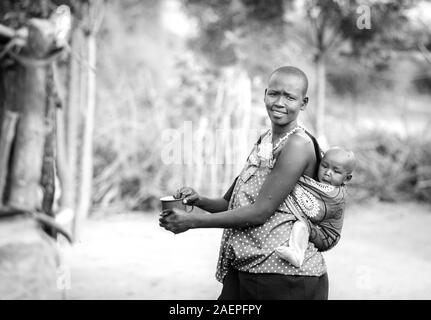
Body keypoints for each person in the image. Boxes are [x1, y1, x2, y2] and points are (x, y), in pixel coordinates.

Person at [160, 66, 338, 300]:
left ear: (303, 103)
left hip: (284, 276)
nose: (279, 102)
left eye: (290, 97)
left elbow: (259, 212)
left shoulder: (298, 145)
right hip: (249, 267)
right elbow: (230, 204)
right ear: (264, 94)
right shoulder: (265, 141)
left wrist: (193, 221)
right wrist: (198, 200)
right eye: (274, 93)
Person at [275, 147, 356, 268]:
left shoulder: (336, 196)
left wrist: (290, 179)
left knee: (301, 225)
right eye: (324, 166)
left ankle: (297, 254)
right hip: (318, 228)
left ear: (347, 178)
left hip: (326, 236)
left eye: (336, 171)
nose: (328, 172)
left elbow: (313, 209)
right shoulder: (322, 185)